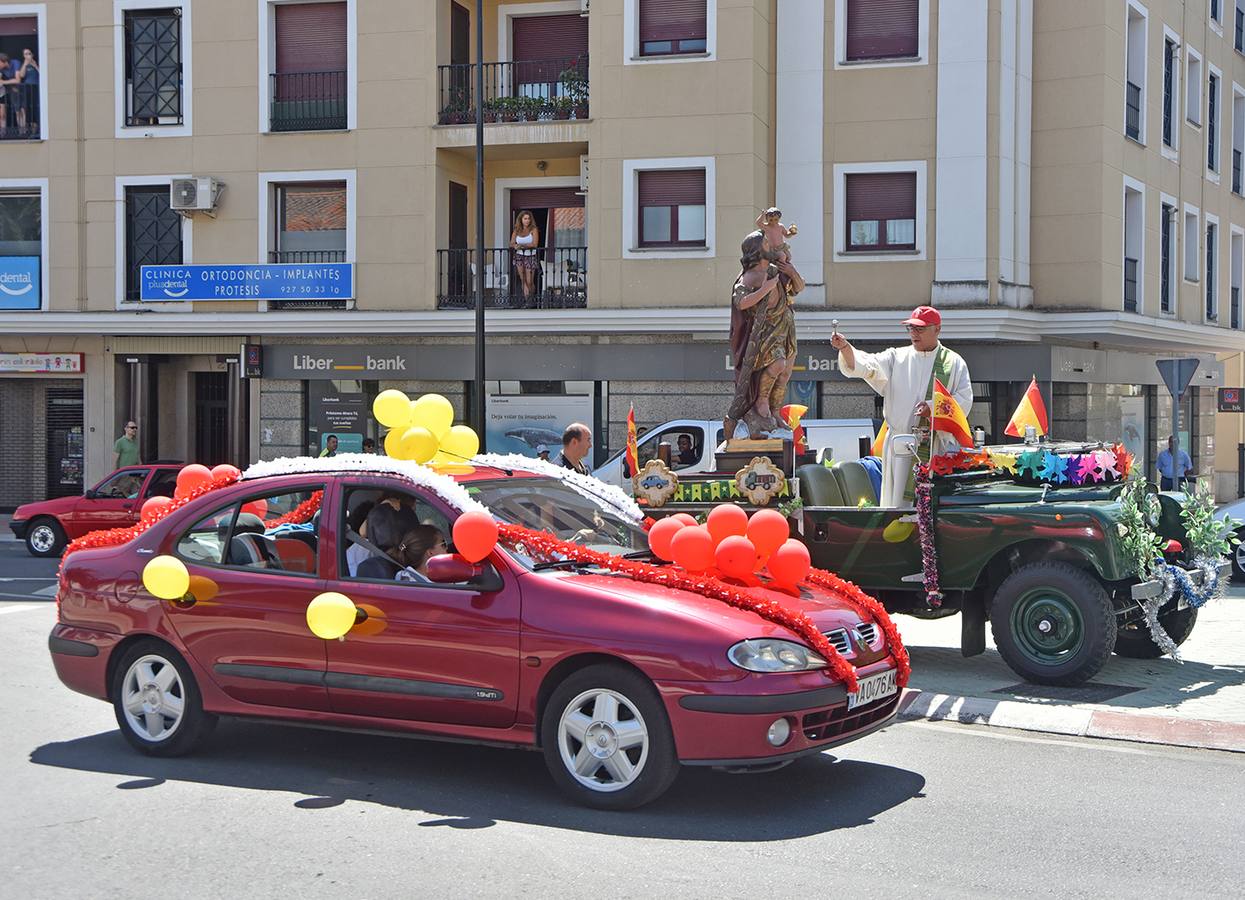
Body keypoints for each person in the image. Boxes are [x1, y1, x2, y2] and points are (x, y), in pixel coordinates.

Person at [832, 306, 973, 507]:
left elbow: (964, 400)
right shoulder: (896, 357)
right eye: (911, 328)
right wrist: (845, 348)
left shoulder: (954, 362)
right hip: (900, 447)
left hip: (935, 448)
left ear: (937, 329)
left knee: (931, 507)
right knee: (898, 505)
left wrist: (932, 409)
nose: (914, 334)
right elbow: (868, 365)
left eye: (920, 329)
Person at [724, 231, 805, 439]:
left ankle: (776, 412)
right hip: (765, 331)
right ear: (757, 250)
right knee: (777, 365)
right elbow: (741, 302)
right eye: (767, 244)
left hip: (786, 326)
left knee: (785, 371)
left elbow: (798, 287)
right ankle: (761, 401)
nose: (772, 247)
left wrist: (792, 271)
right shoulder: (749, 276)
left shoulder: (776, 270)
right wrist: (765, 288)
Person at [510, 210, 540, 301]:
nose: (527, 221)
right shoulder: (517, 230)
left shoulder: (534, 229)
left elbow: (534, 244)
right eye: (525, 219)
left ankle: (532, 297)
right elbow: (511, 243)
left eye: (528, 219)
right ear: (521, 220)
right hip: (519, 256)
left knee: (529, 281)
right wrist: (515, 246)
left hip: (530, 256)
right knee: (523, 280)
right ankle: (528, 301)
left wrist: (522, 246)